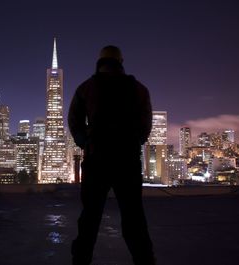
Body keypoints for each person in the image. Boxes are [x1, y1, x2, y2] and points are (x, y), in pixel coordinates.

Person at [68, 45, 156, 265]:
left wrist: (85, 141)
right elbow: (146, 122)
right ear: (121, 62)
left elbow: (74, 120)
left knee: (90, 217)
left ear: (100, 62)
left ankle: (81, 260)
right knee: (134, 218)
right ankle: (145, 261)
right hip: (127, 161)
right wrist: (136, 140)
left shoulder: (85, 88)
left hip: (96, 160)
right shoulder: (139, 89)